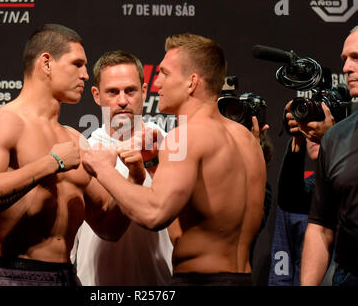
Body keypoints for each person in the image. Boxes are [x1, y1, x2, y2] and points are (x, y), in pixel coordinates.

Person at [82, 33, 267, 286]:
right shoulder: (246, 139)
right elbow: (187, 223)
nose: (158, 83)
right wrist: (154, 166)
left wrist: (104, 170)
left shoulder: (185, 136)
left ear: (191, 82)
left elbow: (155, 214)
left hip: (200, 281)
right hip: (241, 278)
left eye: (165, 74)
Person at [0, 24, 130, 286]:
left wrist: (138, 176)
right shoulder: (3, 123)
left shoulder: (75, 140)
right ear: (47, 63)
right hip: (14, 275)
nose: (85, 75)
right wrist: (51, 163)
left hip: (67, 277)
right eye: (77, 64)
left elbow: (110, 228)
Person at [71, 50, 173, 285]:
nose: (122, 100)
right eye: (112, 92)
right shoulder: (83, 150)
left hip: (159, 284)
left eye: (130, 90)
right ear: (96, 95)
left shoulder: (168, 145)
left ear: (145, 92)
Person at [301, 26, 358, 286]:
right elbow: (320, 227)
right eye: (344, 59)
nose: (346, 68)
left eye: (356, 57)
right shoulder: (335, 138)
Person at [268, 136, 320, 285]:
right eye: (307, 124)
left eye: (320, 119)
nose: (313, 133)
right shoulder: (292, 196)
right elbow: (281, 271)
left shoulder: (350, 190)